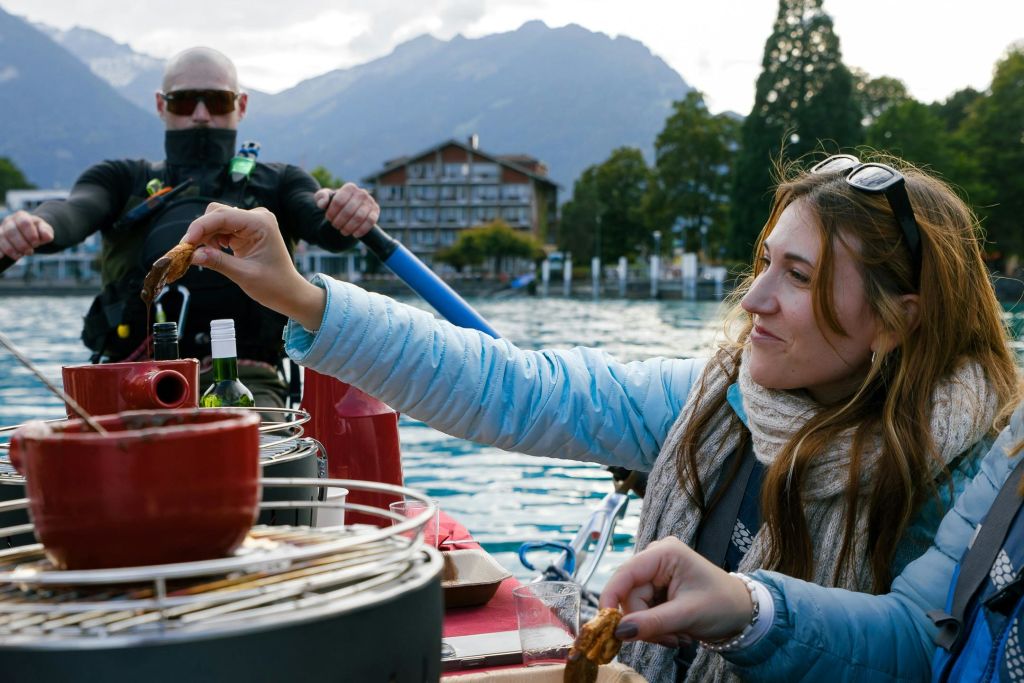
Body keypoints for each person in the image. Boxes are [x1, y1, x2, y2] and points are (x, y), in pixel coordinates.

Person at [179, 153, 1020, 681]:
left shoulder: (969, 475)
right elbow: (514, 386)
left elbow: (917, 651)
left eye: (798, 277)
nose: (754, 299)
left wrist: (748, 608)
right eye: (765, 263)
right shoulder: (716, 400)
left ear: (900, 316)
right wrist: (297, 294)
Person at [0, 46, 377, 407]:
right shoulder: (119, 179)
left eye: (216, 101)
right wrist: (39, 225)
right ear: (161, 105)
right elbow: (73, 212)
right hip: (129, 378)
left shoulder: (280, 182)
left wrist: (344, 211)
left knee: (249, 442)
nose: (200, 114)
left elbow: (328, 229)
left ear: (240, 105)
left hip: (247, 378)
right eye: (184, 101)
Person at [596, 400, 1024, 682]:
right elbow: (924, 634)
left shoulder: (949, 459)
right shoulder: (1016, 448)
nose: (752, 300)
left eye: (800, 277)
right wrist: (748, 608)